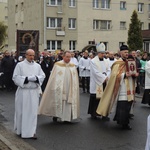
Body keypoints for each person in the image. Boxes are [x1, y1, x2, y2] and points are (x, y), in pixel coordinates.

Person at [96, 45, 138, 130]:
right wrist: (125, 74)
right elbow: (115, 76)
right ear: (121, 53)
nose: (126, 54)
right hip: (122, 86)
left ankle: (123, 121)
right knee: (123, 105)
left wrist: (135, 75)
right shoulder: (117, 63)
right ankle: (124, 123)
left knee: (128, 105)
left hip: (130, 85)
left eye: (127, 52)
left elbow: (133, 71)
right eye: (125, 52)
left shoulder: (130, 61)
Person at [39, 51, 80, 122]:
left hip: (69, 87)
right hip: (60, 87)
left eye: (69, 57)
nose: (68, 58)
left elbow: (75, 78)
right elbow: (53, 77)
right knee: (58, 100)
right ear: (63, 56)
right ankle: (56, 115)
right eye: (67, 57)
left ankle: (67, 118)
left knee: (68, 100)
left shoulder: (72, 66)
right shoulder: (58, 65)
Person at [12, 49, 45, 139]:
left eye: (33, 55)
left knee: (32, 113)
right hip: (23, 92)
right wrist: (26, 79)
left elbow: (42, 76)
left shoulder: (37, 66)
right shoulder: (20, 65)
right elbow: (15, 77)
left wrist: (36, 78)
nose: (31, 57)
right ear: (26, 55)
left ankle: (31, 132)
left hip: (33, 92)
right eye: (30, 55)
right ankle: (20, 130)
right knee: (22, 112)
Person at [87, 43, 110, 119]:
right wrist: (103, 77)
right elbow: (95, 72)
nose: (103, 55)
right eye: (101, 53)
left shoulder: (107, 61)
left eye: (104, 53)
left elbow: (109, 70)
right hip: (97, 82)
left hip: (105, 82)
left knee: (105, 98)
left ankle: (104, 113)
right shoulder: (93, 61)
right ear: (98, 53)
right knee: (96, 98)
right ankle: (94, 113)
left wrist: (106, 76)